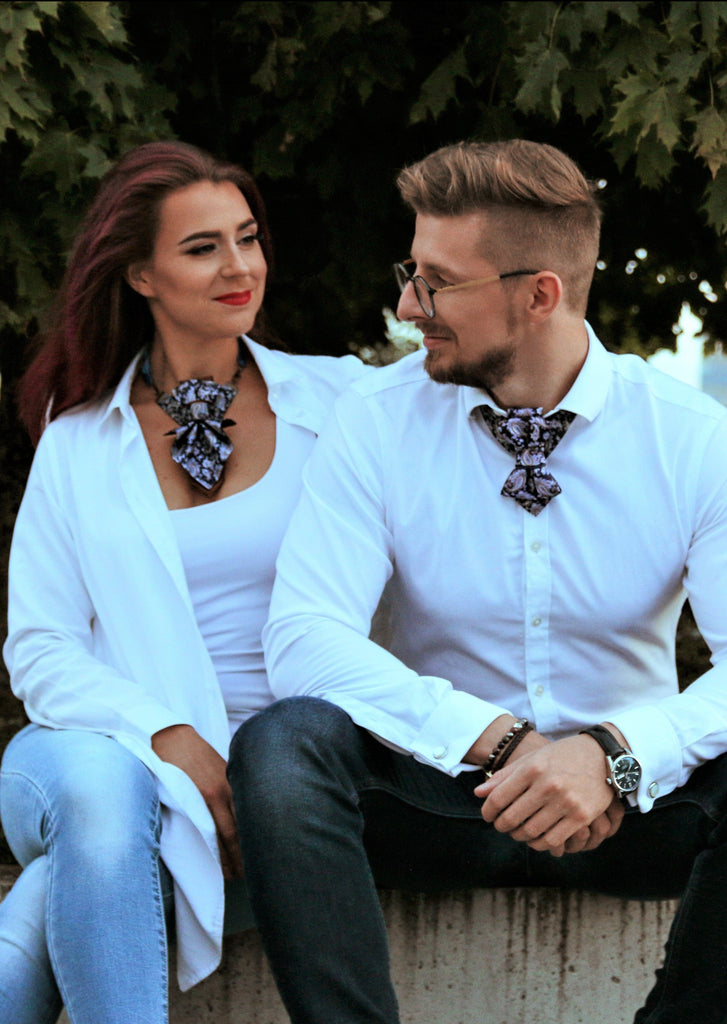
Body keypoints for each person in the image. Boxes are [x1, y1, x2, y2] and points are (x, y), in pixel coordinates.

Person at [228, 139, 727, 1024]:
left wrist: (612, 756)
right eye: (410, 274)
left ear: (539, 295)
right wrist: (504, 745)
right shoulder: (376, 423)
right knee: (283, 746)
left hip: (630, 809)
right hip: (442, 798)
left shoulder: (688, 437)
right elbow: (305, 636)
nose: (406, 306)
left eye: (437, 283)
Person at [0, 139, 367, 1024]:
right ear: (140, 275)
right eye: (203, 248)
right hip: (92, 746)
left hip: (274, 781)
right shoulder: (77, 440)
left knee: (54, 895)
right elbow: (41, 649)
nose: (240, 267)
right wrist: (166, 737)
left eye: (248, 238)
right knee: (103, 792)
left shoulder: (346, 404)